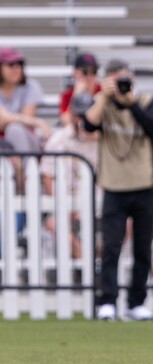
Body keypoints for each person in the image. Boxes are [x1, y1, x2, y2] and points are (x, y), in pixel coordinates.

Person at [83, 59, 153, 321]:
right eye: (114, 80)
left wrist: (129, 102)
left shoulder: (145, 100)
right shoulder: (102, 103)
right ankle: (107, 301)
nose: (120, 85)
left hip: (144, 185)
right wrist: (104, 97)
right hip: (114, 187)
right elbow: (88, 125)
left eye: (123, 80)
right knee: (111, 247)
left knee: (142, 248)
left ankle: (136, 302)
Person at [40, 93, 99, 259]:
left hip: (99, 205)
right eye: (78, 114)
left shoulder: (105, 139)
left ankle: (93, 263)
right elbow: (47, 176)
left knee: (127, 224)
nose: (81, 120)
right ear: (71, 113)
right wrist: (63, 205)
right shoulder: (59, 139)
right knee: (53, 224)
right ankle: (91, 266)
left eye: (86, 115)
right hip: (64, 205)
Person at [0, 47, 51, 192]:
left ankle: (26, 176)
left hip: (26, 144)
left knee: (15, 130)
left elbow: (22, 120)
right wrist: (38, 122)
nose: (16, 69)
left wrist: (17, 120)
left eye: (19, 64)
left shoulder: (31, 87)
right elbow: (2, 119)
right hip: (3, 147)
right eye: (10, 65)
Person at [59, 53, 102, 126]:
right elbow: (67, 122)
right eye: (85, 72)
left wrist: (91, 94)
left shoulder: (102, 91)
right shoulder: (68, 95)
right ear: (75, 73)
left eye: (94, 72)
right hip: (77, 133)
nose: (89, 76)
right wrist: (76, 96)